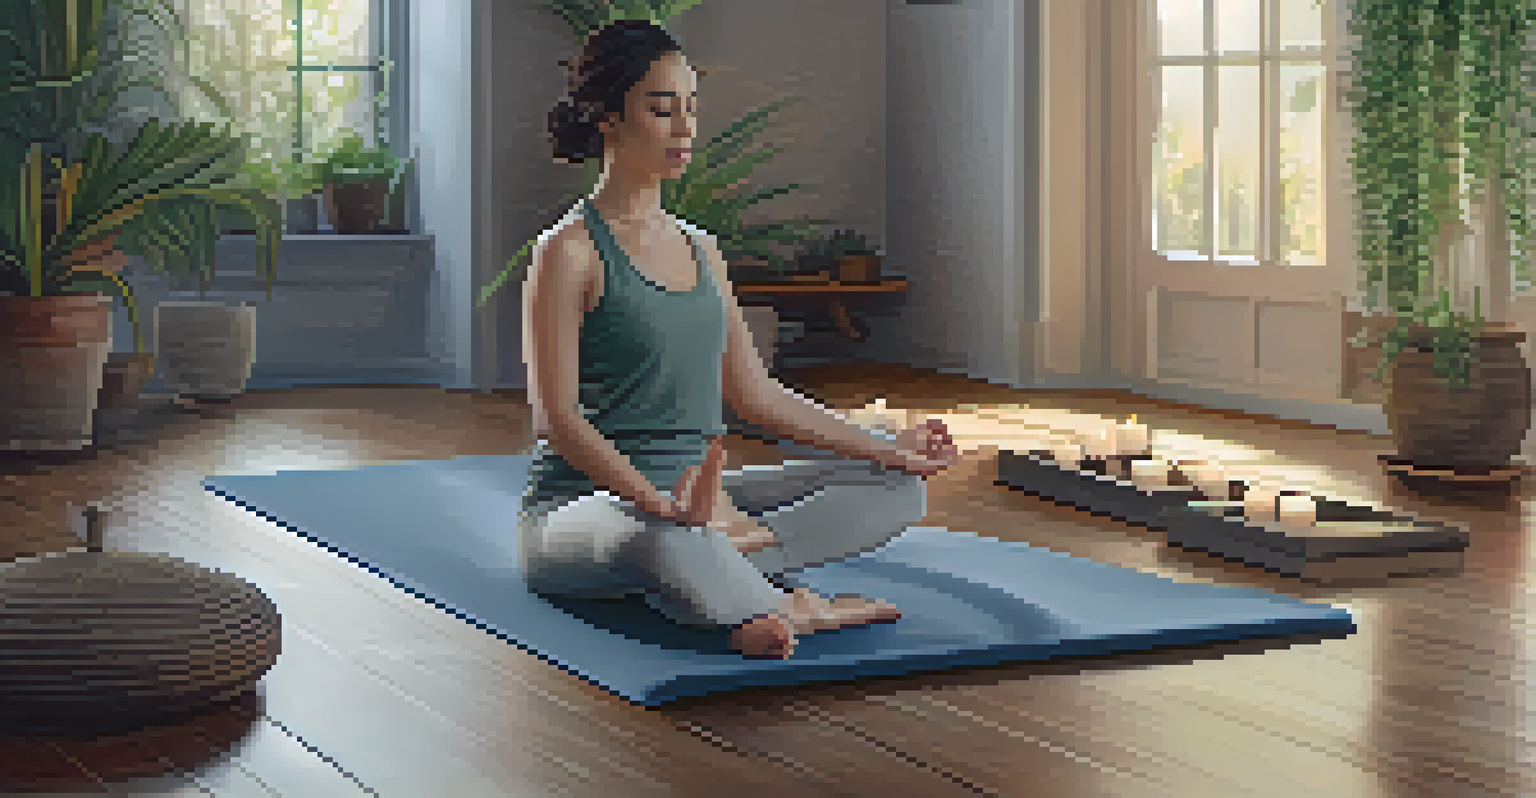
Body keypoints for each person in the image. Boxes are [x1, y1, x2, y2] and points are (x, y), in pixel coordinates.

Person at [519, 19, 961, 659]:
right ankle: (785, 601)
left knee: (897, 490)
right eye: (661, 109)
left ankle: (726, 588)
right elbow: (557, 420)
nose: (684, 130)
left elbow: (756, 395)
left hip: (709, 503)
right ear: (608, 118)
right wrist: (659, 504)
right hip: (592, 510)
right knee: (654, 536)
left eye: (691, 109)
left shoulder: (702, 250)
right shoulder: (569, 252)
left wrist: (888, 448)